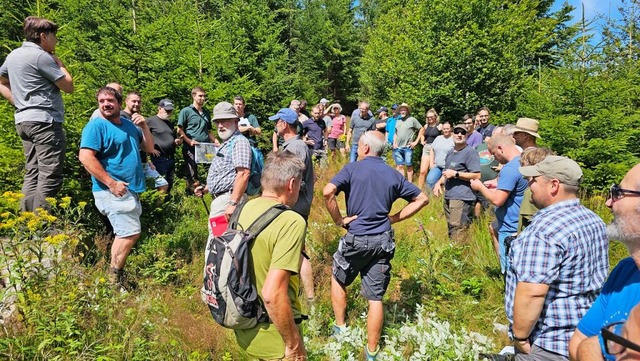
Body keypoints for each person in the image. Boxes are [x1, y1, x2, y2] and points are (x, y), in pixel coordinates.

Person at [323, 130, 428, 360]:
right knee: (375, 297)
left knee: (338, 277)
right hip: (383, 239)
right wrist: (394, 218)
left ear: (366, 148)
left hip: (357, 237)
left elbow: (327, 191)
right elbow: (423, 198)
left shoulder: (352, 168)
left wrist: (339, 220)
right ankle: (372, 352)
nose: (358, 148)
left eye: (359, 145)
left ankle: (340, 328)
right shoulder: (393, 174)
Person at [506, 155, 608, 360]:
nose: (529, 185)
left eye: (534, 180)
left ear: (554, 185)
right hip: (585, 336)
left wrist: (520, 337)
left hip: (548, 343)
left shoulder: (544, 231)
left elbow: (532, 293)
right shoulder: (593, 219)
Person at [232, 151, 307, 361]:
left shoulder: (242, 209)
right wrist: (293, 346)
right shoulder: (290, 221)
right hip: (276, 338)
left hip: (245, 328)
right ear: (291, 184)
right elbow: (272, 294)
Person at [78, 86, 154, 290]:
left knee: (126, 233)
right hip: (112, 190)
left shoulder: (129, 125)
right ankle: (113, 281)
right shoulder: (96, 126)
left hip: (131, 189)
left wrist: (145, 126)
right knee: (129, 233)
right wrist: (111, 183)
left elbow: (148, 148)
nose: (105, 104)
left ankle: (116, 275)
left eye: (110, 100)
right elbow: (85, 157)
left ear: (120, 104)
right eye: (101, 101)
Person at [0, 16, 74, 212]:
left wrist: (18, 102)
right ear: (43, 36)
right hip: (45, 122)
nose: (56, 40)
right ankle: (42, 224)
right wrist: (59, 63)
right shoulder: (42, 57)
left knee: (33, 171)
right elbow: (68, 86)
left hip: (23, 121)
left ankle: (26, 222)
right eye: (54, 36)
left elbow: (1, 81)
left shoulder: (13, 56)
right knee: (50, 173)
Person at [569, 164, 640, 361]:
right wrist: (594, 346)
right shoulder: (625, 270)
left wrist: (596, 345)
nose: (609, 203)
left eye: (618, 193)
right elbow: (576, 345)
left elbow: (586, 345)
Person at [270, 107, 316, 302]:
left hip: (295, 206)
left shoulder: (295, 148)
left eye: (276, 122)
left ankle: (309, 297)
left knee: (297, 251)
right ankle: (297, 292)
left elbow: (294, 180)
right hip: (296, 205)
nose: (274, 126)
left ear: (284, 123)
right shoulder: (293, 146)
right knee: (295, 249)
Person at [470, 134, 527, 274]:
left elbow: (497, 200)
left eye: (493, 154)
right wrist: (497, 185)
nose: (494, 158)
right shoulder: (525, 162)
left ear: (500, 148)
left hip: (509, 227)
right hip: (522, 223)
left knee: (510, 272)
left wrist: (480, 187)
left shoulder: (509, 168)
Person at [194, 102, 250, 220]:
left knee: (221, 238)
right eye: (217, 122)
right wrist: (205, 189)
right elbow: (225, 173)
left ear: (236, 122)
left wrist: (233, 203)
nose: (220, 125)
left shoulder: (239, 142)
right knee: (219, 237)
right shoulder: (226, 143)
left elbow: (244, 173)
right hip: (223, 200)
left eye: (224, 121)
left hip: (228, 200)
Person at [433, 124, 481, 239]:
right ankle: (452, 253)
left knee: (459, 230)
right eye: (457, 132)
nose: (459, 135)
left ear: (467, 135)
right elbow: (446, 172)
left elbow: (477, 175)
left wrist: (456, 174)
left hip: (462, 196)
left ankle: (460, 255)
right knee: (451, 228)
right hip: (449, 195)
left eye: (463, 133)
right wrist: (438, 183)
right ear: (452, 134)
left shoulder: (470, 152)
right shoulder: (450, 152)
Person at [122, 91, 169, 193]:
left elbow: (142, 141)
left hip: (144, 162)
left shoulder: (138, 118)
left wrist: (148, 160)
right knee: (134, 191)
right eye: (133, 101)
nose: (136, 104)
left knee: (163, 185)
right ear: (126, 101)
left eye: (139, 102)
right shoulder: (121, 117)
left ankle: (155, 208)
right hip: (130, 162)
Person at [177, 86, 217, 194]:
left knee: (211, 169)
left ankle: (211, 191)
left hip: (206, 147)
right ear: (194, 96)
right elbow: (179, 129)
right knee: (192, 172)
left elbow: (209, 131)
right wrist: (189, 141)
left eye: (204, 96)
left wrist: (216, 141)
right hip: (191, 147)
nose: (203, 98)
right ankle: (192, 195)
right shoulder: (186, 111)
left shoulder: (206, 112)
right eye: (200, 96)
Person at [147, 99, 182, 193]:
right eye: (167, 110)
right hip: (158, 159)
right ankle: (158, 206)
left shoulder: (169, 123)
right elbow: (142, 136)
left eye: (170, 111)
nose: (169, 113)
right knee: (161, 185)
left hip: (170, 158)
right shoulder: (150, 121)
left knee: (169, 185)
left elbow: (172, 139)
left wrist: (177, 141)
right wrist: (150, 149)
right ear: (159, 108)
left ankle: (166, 205)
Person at [393, 103, 422, 181]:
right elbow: (395, 132)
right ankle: (402, 183)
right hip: (398, 147)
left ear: (407, 111)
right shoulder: (398, 120)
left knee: (409, 165)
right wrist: (394, 143)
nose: (402, 111)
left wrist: (416, 142)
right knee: (400, 166)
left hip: (408, 147)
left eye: (404, 110)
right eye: (401, 110)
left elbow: (421, 129)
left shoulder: (412, 119)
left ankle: (410, 183)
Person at [417, 109, 441, 190]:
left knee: (433, 170)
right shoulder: (426, 126)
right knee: (423, 171)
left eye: (431, 117)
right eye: (428, 117)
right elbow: (422, 134)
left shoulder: (439, 126)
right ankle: (419, 190)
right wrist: (422, 141)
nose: (430, 118)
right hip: (426, 148)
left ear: (435, 117)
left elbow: (446, 134)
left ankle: (433, 190)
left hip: (435, 150)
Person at [426, 122, 454, 190]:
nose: (446, 130)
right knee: (430, 181)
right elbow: (432, 149)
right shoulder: (438, 138)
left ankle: (443, 199)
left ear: (451, 129)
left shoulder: (454, 139)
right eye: (444, 129)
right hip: (437, 166)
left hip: (448, 167)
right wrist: (431, 163)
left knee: (446, 185)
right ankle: (430, 198)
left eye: (447, 128)